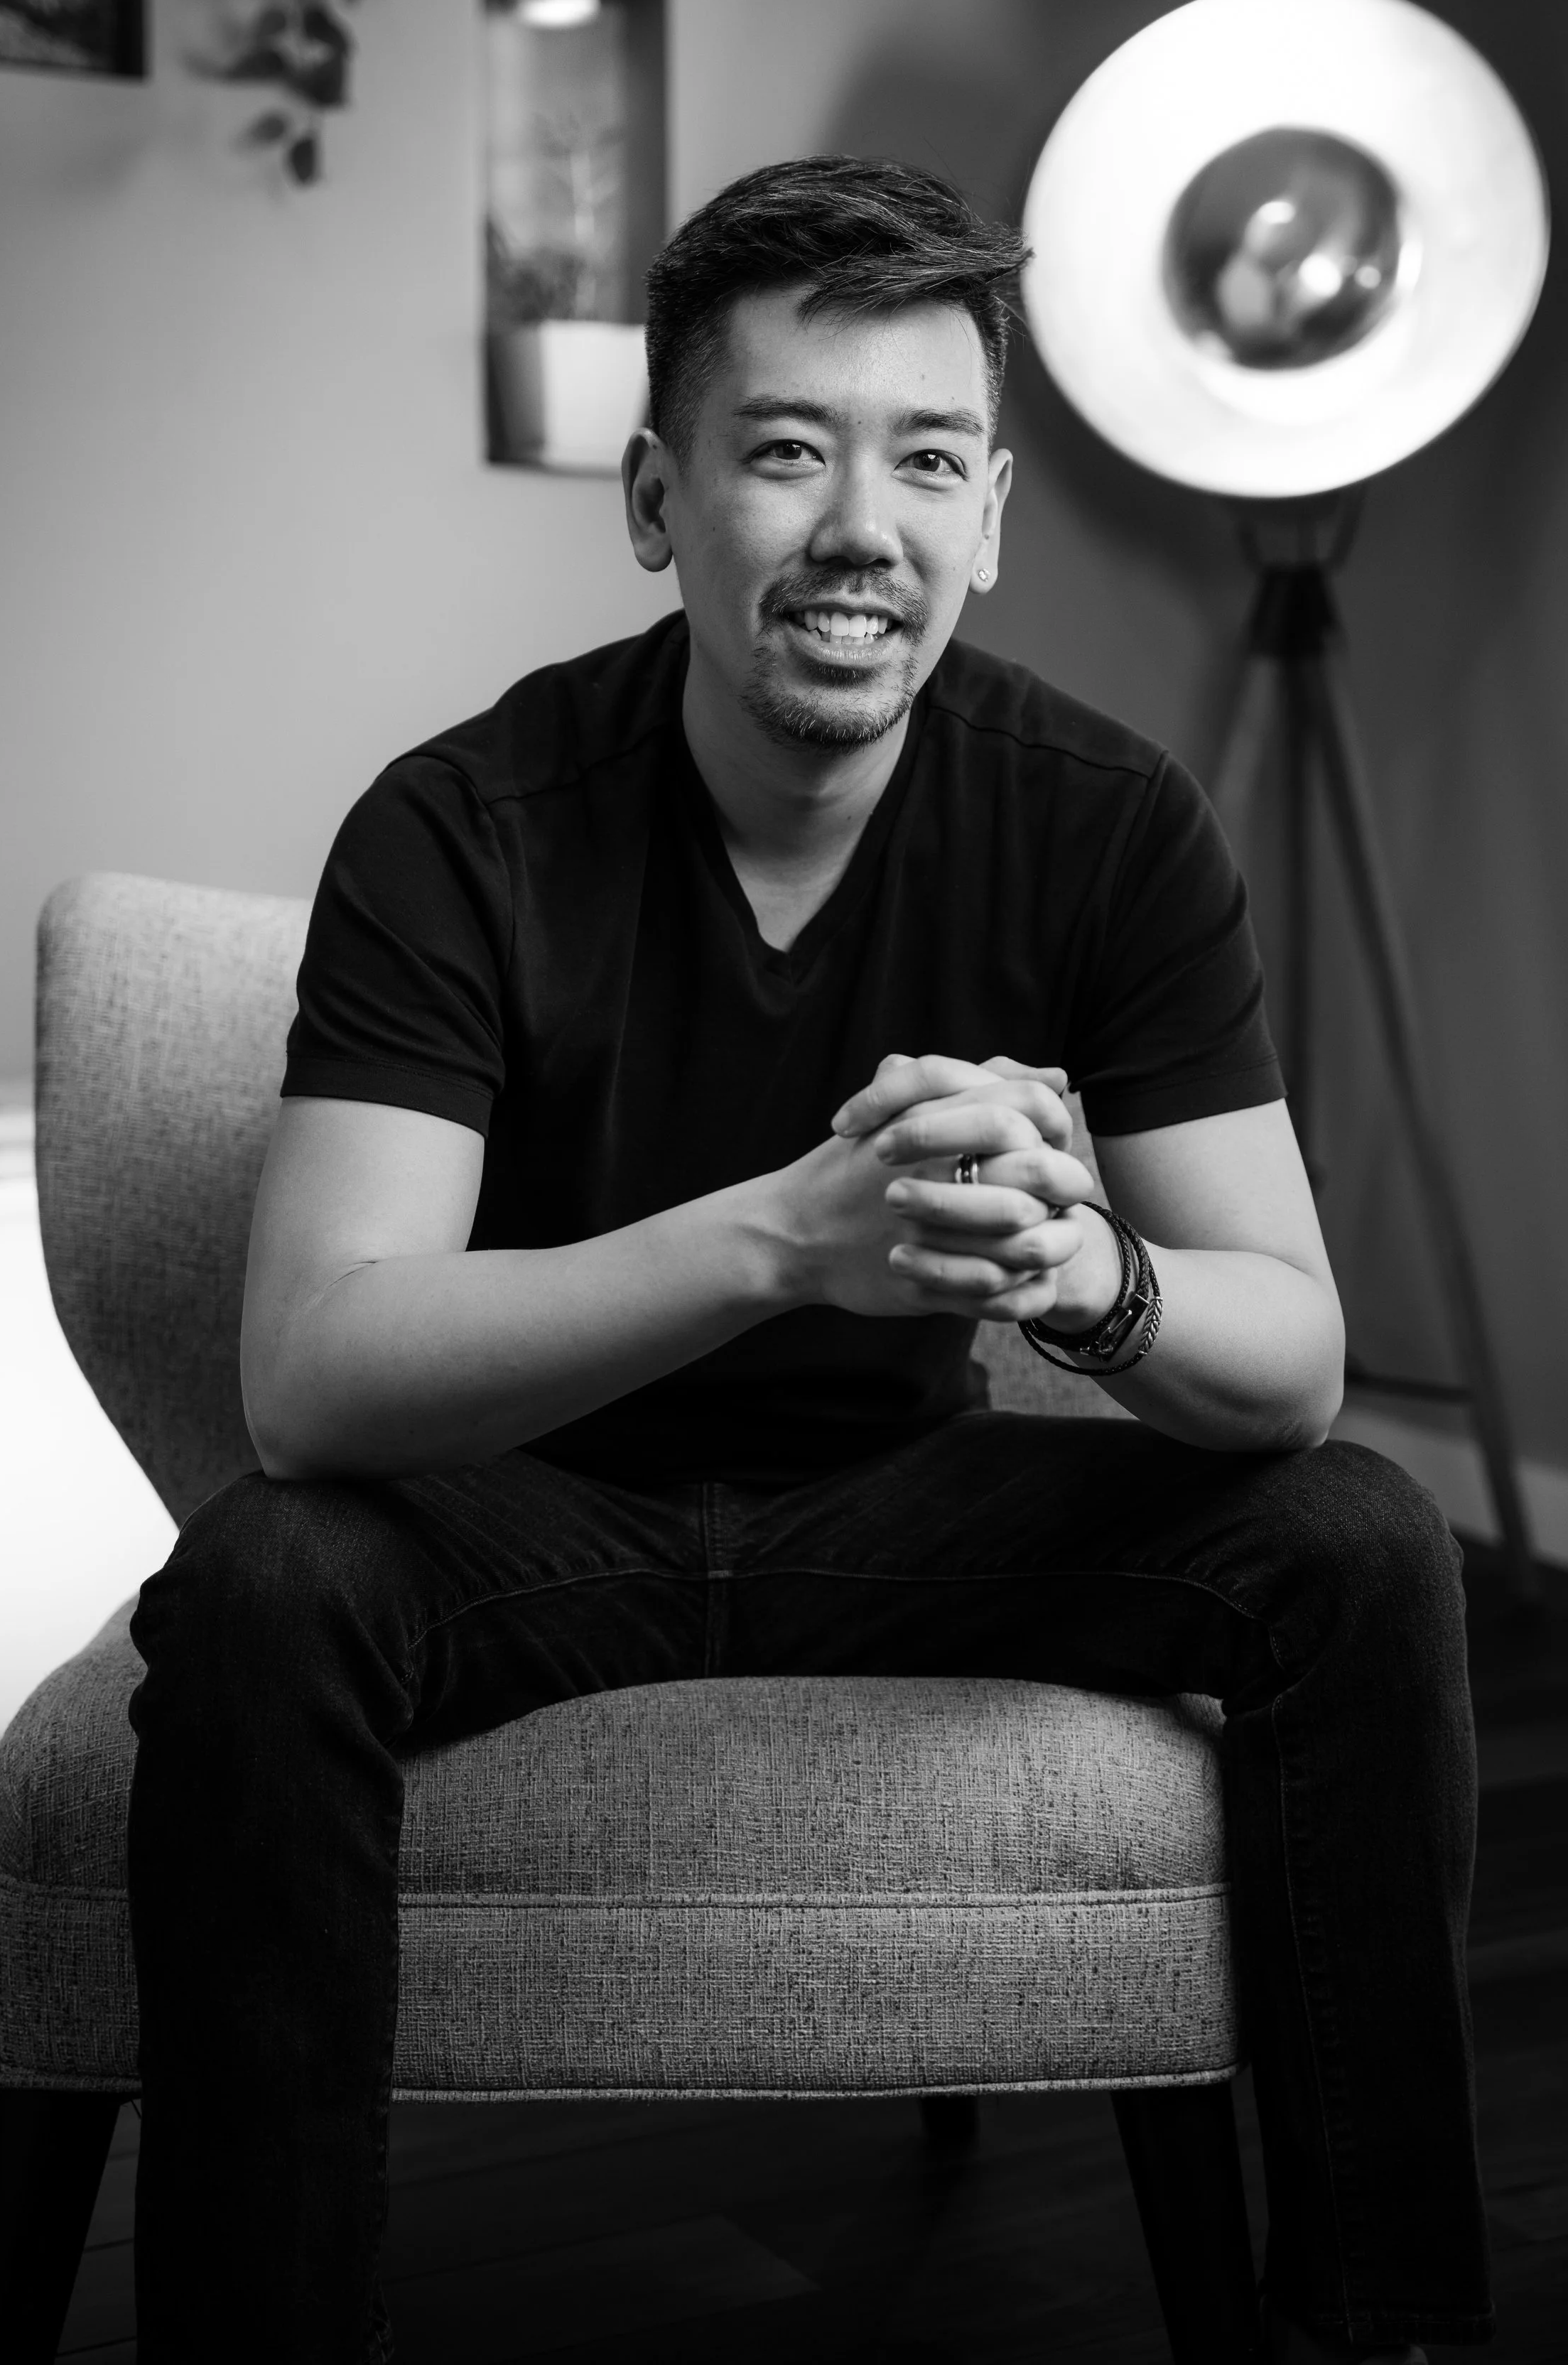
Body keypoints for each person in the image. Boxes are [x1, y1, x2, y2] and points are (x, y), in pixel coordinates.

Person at [125, 158, 1489, 2364]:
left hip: (895, 1512)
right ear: (655, 498)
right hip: (522, 1510)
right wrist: (784, 1234)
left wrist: (1088, 1276)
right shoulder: (462, 826)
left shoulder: (1103, 820)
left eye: (927, 459)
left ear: (992, 511)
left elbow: (1290, 1354)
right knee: (265, 1576)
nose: (863, 526)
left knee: (1355, 1536)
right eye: (785, 449)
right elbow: (314, 1373)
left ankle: (1376, 2328)